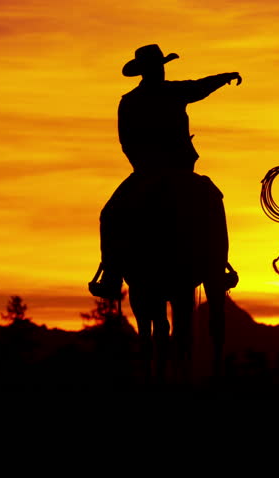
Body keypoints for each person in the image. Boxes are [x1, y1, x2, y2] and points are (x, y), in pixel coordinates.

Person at [89, 44, 241, 299]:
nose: (160, 70)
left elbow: (126, 141)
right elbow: (199, 87)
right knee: (213, 199)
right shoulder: (170, 92)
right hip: (175, 169)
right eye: (157, 67)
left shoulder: (132, 101)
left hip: (147, 172)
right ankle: (218, 266)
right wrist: (224, 78)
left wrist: (223, 78)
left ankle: (111, 276)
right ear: (150, 70)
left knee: (111, 214)